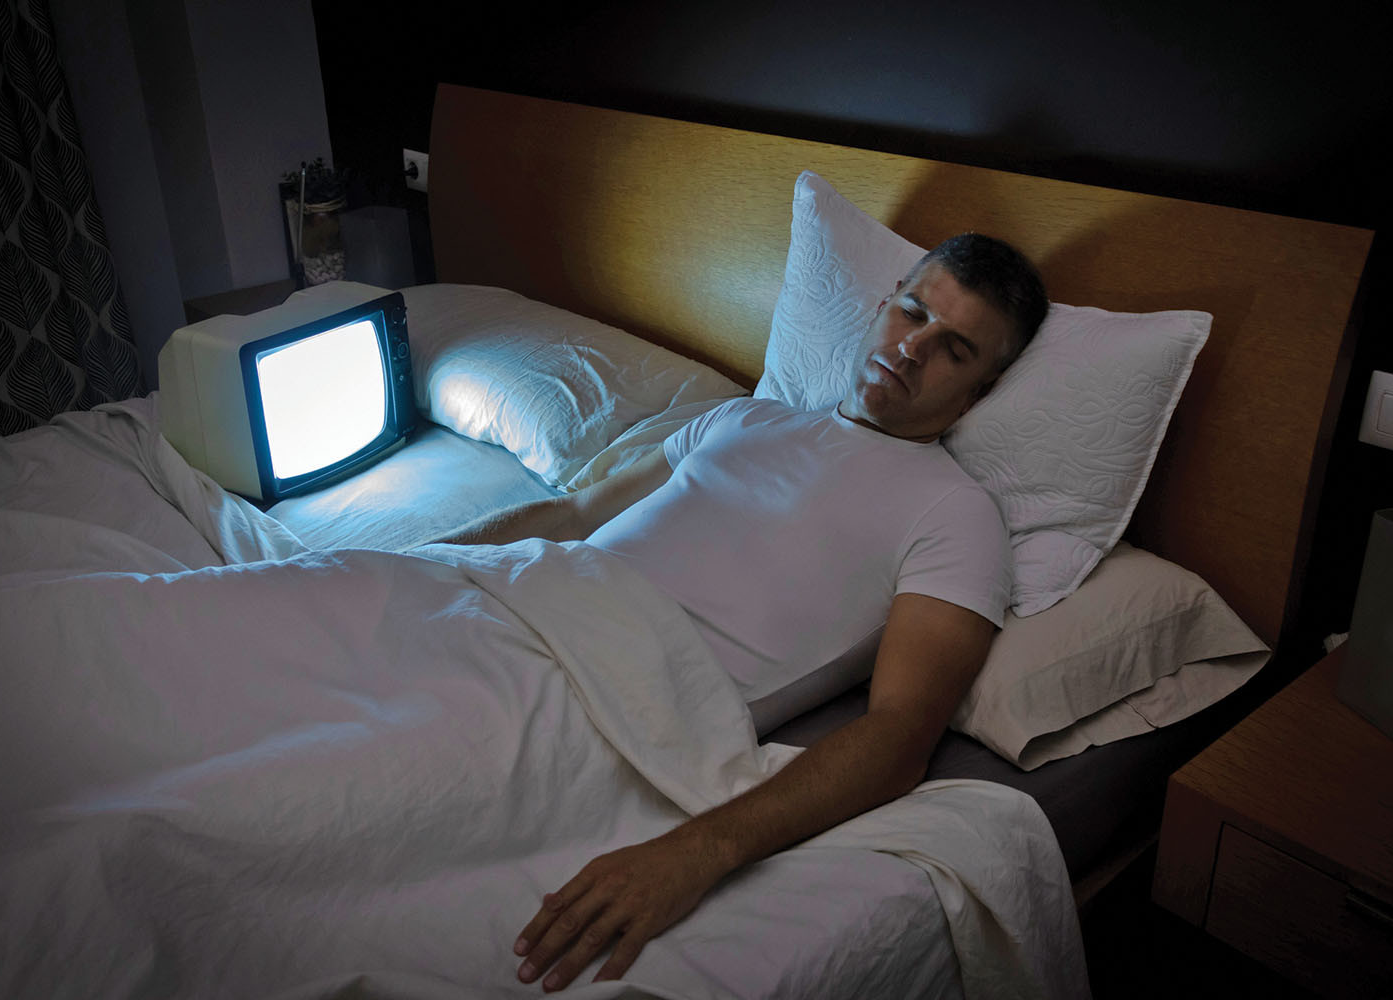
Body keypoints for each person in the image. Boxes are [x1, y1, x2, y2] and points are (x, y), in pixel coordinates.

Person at [440, 233, 1047, 992]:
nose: (914, 346)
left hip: (595, 695)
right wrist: (410, 565)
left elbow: (899, 737)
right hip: (500, 608)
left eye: (953, 349)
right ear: (882, 302)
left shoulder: (956, 514)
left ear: (980, 390)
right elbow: (567, 517)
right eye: (912, 311)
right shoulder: (745, 420)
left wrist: (697, 853)